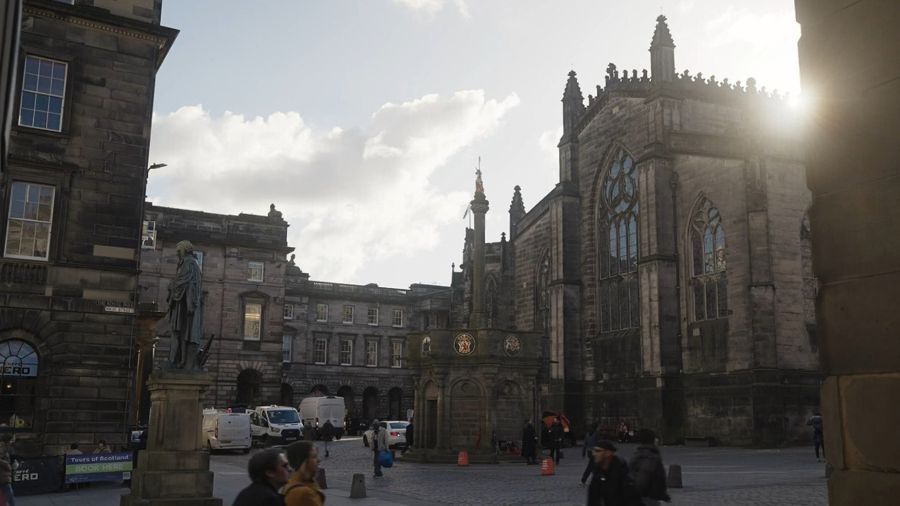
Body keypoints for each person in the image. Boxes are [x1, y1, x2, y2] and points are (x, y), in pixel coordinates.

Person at [166, 240, 204, 370]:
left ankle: (180, 361)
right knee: (179, 332)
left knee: (182, 332)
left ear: (185, 250)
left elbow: (183, 281)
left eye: (179, 251)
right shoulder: (186, 263)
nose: (177, 254)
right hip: (181, 302)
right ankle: (176, 359)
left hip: (185, 304)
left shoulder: (189, 262)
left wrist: (172, 285)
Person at [586, 441, 642, 506]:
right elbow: (592, 501)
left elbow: (633, 501)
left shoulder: (622, 474)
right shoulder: (597, 473)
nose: (594, 454)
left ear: (608, 453)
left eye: (598, 451)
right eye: (594, 450)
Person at [629, 430, 671, 505]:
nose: (657, 440)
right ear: (652, 440)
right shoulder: (651, 456)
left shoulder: (638, 453)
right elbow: (643, 478)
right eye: (655, 438)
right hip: (647, 498)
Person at [283, 441, 324, 506]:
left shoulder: (305, 482)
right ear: (303, 462)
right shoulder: (302, 493)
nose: (318, 460)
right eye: (314, 457)